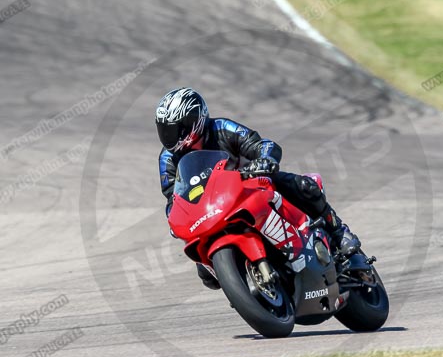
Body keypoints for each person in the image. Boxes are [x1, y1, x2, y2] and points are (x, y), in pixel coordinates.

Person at [155, 87, 361, 289]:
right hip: (212, 208)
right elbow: (173, 198)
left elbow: (262, 145)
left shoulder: (222, 128)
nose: (168, 136)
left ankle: (339, 232)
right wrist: (174, 217)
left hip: (253, 184)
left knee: (304, 186)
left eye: (174, 129)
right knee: (206, 275)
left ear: (193, 121)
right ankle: (244, 285)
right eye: (164, 130)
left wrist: (264, 160)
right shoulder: (167, 159)